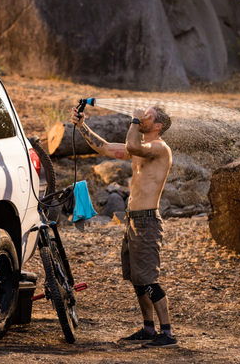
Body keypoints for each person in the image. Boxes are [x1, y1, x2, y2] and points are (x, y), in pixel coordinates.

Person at [70, 104, 177, 348]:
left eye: (147, 115)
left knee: (149, 279)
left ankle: (168, 334)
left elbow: (131, 145)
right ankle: (149, 329)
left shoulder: (159, 148)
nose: (142, 116)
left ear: (157, 126)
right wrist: (81, 125)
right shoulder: (140, 150)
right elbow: (106, 147)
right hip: (133, 221)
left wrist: (134, 121)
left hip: (147, 221)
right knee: (137, 279)